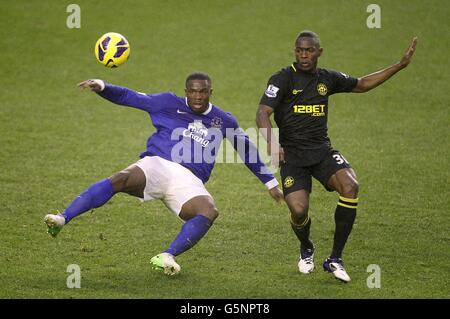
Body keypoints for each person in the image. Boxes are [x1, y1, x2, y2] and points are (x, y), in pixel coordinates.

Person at [45, 72, 283, 275]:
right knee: (120, 178)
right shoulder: (168, 102)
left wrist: (270, 182)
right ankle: (62, 218)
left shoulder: (224, 120)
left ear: (211, 92)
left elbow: (247, 151)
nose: (198, 97)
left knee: (208, 211)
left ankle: (167, 256)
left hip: (189, 181)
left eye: (203, 92)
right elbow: (130, 97)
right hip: (157, 165)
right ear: (186, 91)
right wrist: (103, 87)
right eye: (193, 91)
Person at [256, 31, 417, 282]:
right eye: (299, 50)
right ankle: (306, 247)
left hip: (322, 151)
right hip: (293, 157)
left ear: (319, 52)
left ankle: (335, 259)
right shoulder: (283, 78)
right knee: (298, 211)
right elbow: (262, 113)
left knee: (350, 186)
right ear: (295, 52)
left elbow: (362, 84)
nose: (304, 55)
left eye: (309, 50)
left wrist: (399, 66)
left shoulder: (327, 78)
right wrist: (272, 143)